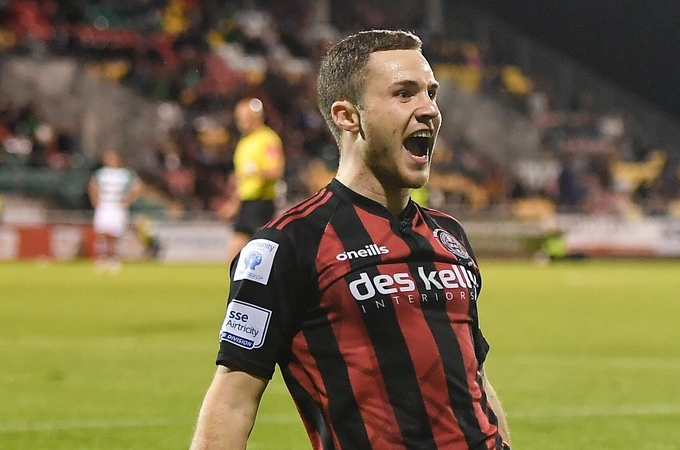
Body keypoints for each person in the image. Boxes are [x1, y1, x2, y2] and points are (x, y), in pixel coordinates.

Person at [190, 29, 511, 450]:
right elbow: (233, 401)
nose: (429, 109)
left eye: (431, 93)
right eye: (404, 93)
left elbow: (476, 380)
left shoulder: (449, 235)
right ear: (348, 116)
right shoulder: (289, 244)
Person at [217, 97, 285, 262]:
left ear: (256, 117)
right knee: (235, 252)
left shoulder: (268, 139)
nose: (240, 122)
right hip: (247, 203)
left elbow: (276, 171)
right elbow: (240, 179)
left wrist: (254, 174)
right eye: (238, 118)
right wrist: (234, 203)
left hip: (261, 202)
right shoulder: (244, 142)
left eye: (244, 117)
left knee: (263, 253)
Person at [87, 149, 143, 272]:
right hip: (104, 205)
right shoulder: (100, 173)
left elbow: (138, 187)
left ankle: (114, 258)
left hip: (117, 207)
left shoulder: (126, 173)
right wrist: (95, 201)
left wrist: (129, 199)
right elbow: (92, 186)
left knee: (115, 234)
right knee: (101, 232)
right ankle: (102, 257)